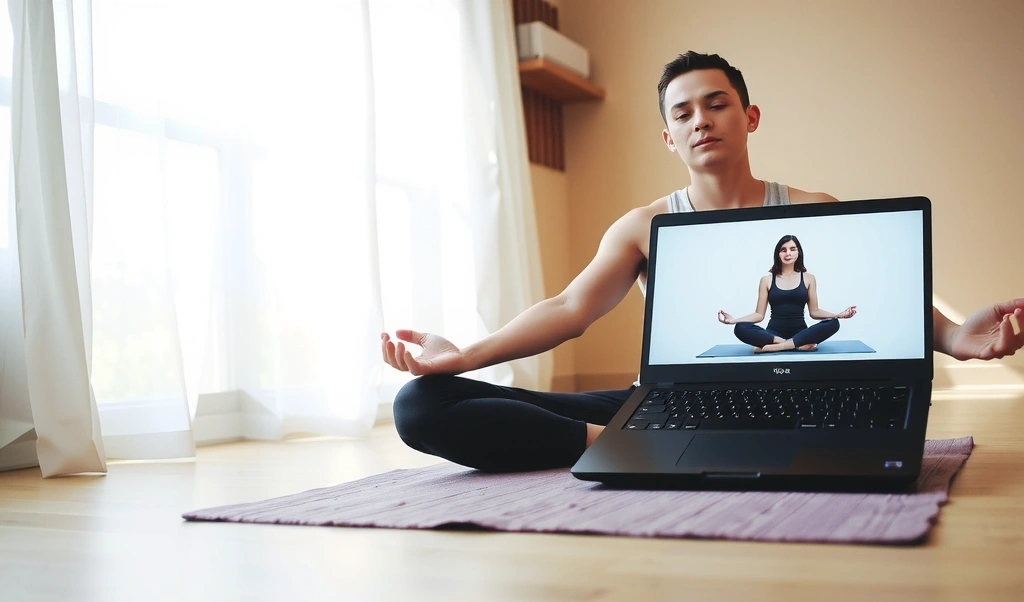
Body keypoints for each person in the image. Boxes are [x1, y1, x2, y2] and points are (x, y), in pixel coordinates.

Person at [382, 51, 1024, 472]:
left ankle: (660, 448)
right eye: (682, 112)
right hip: (674, 401)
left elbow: (880, 295)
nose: (701, 121)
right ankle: (622, 447)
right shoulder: (643, 226)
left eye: (716, 104)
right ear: (668, 136)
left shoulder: (811, 206)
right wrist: (463, 357)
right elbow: (569, 308)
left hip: (796, 393)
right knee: (419, 405)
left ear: (749, 116)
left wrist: (953, 336)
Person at [718, 235, 856, 353]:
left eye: (792, 249)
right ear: (778, 254)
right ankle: (791, 345)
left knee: (833, 323)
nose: (787, 253)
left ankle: (775, 347)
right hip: (773, 334)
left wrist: (838, 315)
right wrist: (733, 321)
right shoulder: (766, 280)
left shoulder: (808, 278)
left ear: (799, 253)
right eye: (783, 250)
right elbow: (759, 315)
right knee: (741, 328)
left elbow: (814, 311)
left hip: (801, 333)